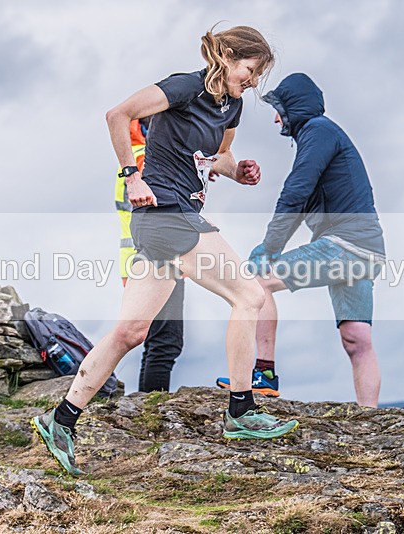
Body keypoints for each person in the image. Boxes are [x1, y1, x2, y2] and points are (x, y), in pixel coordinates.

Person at [31, 25, 299, 476]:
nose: (253, 81)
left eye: (258, 75)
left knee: (132, 331)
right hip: (167, 213)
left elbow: (216, 158)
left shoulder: (229, 107)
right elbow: (118, 114)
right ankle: (240, 410)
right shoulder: (184, 87)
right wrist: (130, 176)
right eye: (251, 70)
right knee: (249, 296)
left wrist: (239, 171)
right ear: (229, 57)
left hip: (170, 221)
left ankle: (61, 420)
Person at [216, 73, 385, 407]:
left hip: (344, 246)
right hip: (367, 250)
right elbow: (302, 202)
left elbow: (295, 193)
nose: (276, 117)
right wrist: (272, 245)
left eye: (278, 109)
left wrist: (270, 248)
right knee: (357, 338)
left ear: (294, 107)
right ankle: (371, 417)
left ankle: (263, 373)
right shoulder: (324, 136)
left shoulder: (317, 132)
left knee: (256, 280)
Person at [115, 117, 185, 393]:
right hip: (157, 259)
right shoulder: (149, 159)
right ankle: (150, 409)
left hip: (142, 260)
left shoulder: (136, 157)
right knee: (165, 341)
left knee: (159, 340)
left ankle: (148, 406)